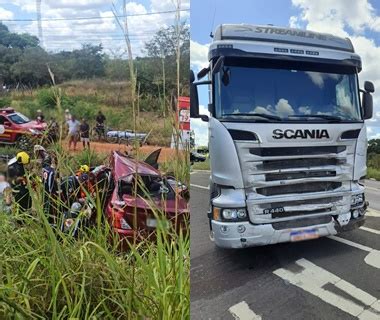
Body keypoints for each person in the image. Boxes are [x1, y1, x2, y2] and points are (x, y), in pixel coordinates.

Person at [42, 155, 58, 224]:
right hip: (50, 192)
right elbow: (50, 183)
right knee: (51, 207)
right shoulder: (52, 171)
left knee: (45, 206)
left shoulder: (43, 170)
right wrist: (51, 192)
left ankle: (44, 220)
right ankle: (50, 222)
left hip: (44, 190)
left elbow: (43, 180)